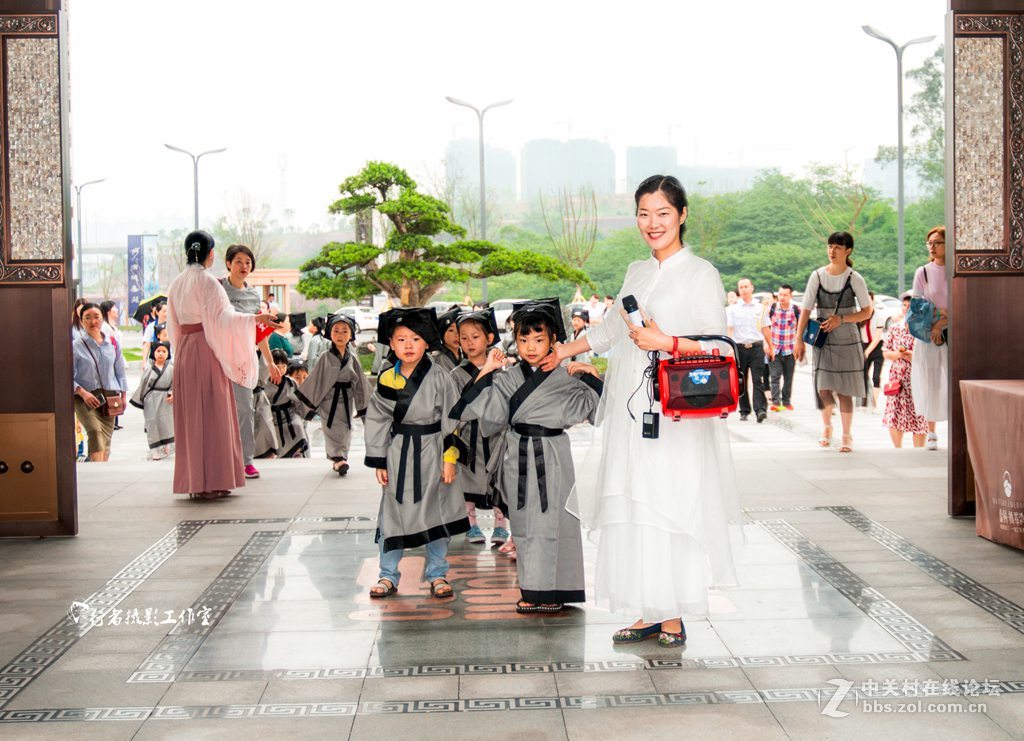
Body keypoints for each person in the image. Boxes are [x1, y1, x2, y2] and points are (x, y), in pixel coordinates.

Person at [545, 174, 741, 647]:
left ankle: (673, 614)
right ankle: (649, 608)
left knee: (670, 503)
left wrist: (667, 342)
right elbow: (613, 328)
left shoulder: (701, 273)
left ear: (682, 215)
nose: (652, 224)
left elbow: (721, 345)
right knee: (636, 503)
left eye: (663, 214)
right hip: (634, 415)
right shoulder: (637, 269)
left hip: (679, 415)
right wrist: (564, 351)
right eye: (644, 214)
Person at [459, 299, 602, 615]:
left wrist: (591, 375)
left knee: (558, 520)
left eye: (539, 339)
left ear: (554, 340)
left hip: (553, 453)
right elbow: (487, 415)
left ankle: (558, 589)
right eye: (524, 340)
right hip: (518, 452)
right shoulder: (508, 376)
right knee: (524, 524)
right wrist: (488, 369)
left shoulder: (567, 373)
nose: (531, 347)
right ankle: (536, 590)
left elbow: (598, 410)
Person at [165, 230, 280, 500]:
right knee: (214, 414)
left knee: (192, 416)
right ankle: (213, 480)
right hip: (206, 349)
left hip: (185, 350)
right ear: (212, 254)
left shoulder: (178, 282)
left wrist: (179, 350)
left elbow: (172, 325)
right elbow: (224, 320)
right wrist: (254, 319)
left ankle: (194, 480)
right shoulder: (208, 282)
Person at [363, 307, 468, 600]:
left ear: (427, 343)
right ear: (391, 343)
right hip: (398, 453)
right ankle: (387, 574)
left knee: (437, 512)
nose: (408, 346)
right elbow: (377, 420)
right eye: (400, 340)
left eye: (415, 339)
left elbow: (453, 417)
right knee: (392, 514)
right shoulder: (386, 379)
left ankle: (437, 573)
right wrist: (379, 460)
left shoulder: (440, 377)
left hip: (434, 449)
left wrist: (450, 458)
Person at [794, 231, 874, 453]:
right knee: (823, 387)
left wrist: (843, 319)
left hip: (848, 339)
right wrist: (798, 338)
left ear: (848, 251)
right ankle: (827, 426)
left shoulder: (854, 278)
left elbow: (867, 311)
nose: (832, 251)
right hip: (824, 339)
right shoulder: (817, 276)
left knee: (845, 390)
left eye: (838, 247)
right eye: (830, 246)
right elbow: (806, 309)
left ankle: (846, 436)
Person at [447, 308, 511, 546]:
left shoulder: (501, 370)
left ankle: (500, 525)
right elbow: (456, 404)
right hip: (467, 435)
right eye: (464, 337)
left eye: (475, 337)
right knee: (467, 479)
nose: (469, 342)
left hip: (494, 434)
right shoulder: (456, 373)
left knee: (497, 480)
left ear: (489, 338)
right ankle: (471, 524)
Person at [220, 244, 282, 479]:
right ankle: (223, 459)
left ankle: (246, 461)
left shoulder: (253, 294)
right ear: (228, 263)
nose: (244, 266)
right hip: (221, 358)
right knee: (220, 411)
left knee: (245, 410)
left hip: (244, 360)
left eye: (247, 262)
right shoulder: (218, 290)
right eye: (238, 261)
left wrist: (270, 361)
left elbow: (259, 331)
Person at [297, 313, 371, 475]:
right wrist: (307, 402)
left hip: (347, 398)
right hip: (328, 399)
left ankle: (340, 456)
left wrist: (364, 404)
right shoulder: (325, 357)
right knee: (330, 427)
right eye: (336, 331)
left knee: (345, 428)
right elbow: (316, 379)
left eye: (345, 331)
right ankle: (339, 459)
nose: (340, 335)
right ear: (330, 333)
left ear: (351, 335)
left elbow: (361, 383)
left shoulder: (353, 358)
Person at [72, 303, 128, 462]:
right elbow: (67, 375)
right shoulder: (76, 346)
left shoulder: (113, 343)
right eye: (87, 318)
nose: (92, 321)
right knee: (95, 432)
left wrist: (123, 396)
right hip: (85, 398)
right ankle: (97, 470)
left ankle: (102, 470)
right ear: (81, 321)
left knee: (106, 439)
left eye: (96, 317)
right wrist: (82, 393)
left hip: (110, 397)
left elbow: (120, 370)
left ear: (102, 319)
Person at [911, 226, 949, 451]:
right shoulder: (923, 272)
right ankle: (931, 431)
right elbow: (916, 303)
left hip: (954, 331)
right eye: (930, 243)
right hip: (928, 334)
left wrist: (944, 321)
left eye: (937, 242)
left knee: (951, 380)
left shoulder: (955, 269)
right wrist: (937, 318)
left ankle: (955, 427)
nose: (933, 247)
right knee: (931, 381)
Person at [882, 293, 928, 448]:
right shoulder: (895, 328)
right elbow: (886, 352)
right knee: (894, 412)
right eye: (904, 305)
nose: (906, 309)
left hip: (917, 377)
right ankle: (898, 448)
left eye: (910, 306)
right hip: (898, 377)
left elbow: (928, 356)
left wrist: (911, 356)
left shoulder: (923, 330)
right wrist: (897, 354)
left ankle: (919, 450)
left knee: (919, 415)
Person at [727, 278, 767, 422]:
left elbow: (765, 327)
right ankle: (744, 410)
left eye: (746, 286)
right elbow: (730, 329)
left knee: (758, 380)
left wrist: (769, 345)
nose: (744, 289)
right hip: (739, 348)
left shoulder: (760, 307)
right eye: (741, 287)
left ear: (752, 288)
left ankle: (760, 410)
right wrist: (730, 347)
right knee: (741, 380)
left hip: (756, 347)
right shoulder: (732, 308)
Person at [130, 341, 175, 459]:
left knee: (166, 421)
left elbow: (176, 384)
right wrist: (142, 399)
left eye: (164, 351)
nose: (161, 354)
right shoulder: (149, 370)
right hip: (151, 398)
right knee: (152, 422)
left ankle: (166, 445)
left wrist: (173, 393)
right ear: (153, 353)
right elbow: (143, 385)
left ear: (168, 353)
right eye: (158, 351)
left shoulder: (172, 369)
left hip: (166, 398)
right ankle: (154, 449)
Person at [266, 349, 310, 458]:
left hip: (289, 414)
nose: (281, 370)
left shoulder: (291, 382)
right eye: (278, 366)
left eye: (283, 366)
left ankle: (297, 452)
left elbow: (298, 402)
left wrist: (305, 413)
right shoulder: (265, 383)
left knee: (298, 425)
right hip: (272, 416)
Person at [762, 284, 799, 412]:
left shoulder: (796, 310)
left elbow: (801, 329)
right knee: (775, 376)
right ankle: (776, 403)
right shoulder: (771, 308)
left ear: (790, 296)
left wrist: (800, 345)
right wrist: (766, 344)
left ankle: (787, 401)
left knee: (789, 377)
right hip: (774, 349)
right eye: (780, 295)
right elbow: (764, 327)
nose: (782, 297)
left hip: (790, 350)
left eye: (785, 295)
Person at [861, 291, 887, 412]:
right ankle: (864, 402)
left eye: (869, 299)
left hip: (876, 348)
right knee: (863, 376)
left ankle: (875, 405)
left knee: (876, 376)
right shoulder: (858, 315)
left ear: (873, 300)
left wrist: (867, 352)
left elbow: (877, 338)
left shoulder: (879, 316)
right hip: (863, 345)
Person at [432, 306, 462, 373]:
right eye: (451, 330)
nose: (457, 335)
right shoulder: (439, 358)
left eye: (459, 330)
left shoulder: (462, 354)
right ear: (442, 334)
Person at [141, 301, 168, 368]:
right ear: (157, 312)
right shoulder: (151, 327)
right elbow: (147, 345)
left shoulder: (171, 327)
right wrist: (144, 362)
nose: (166, 314)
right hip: (154, 360)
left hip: (168, 360)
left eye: (168, 311)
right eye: (164, 311)